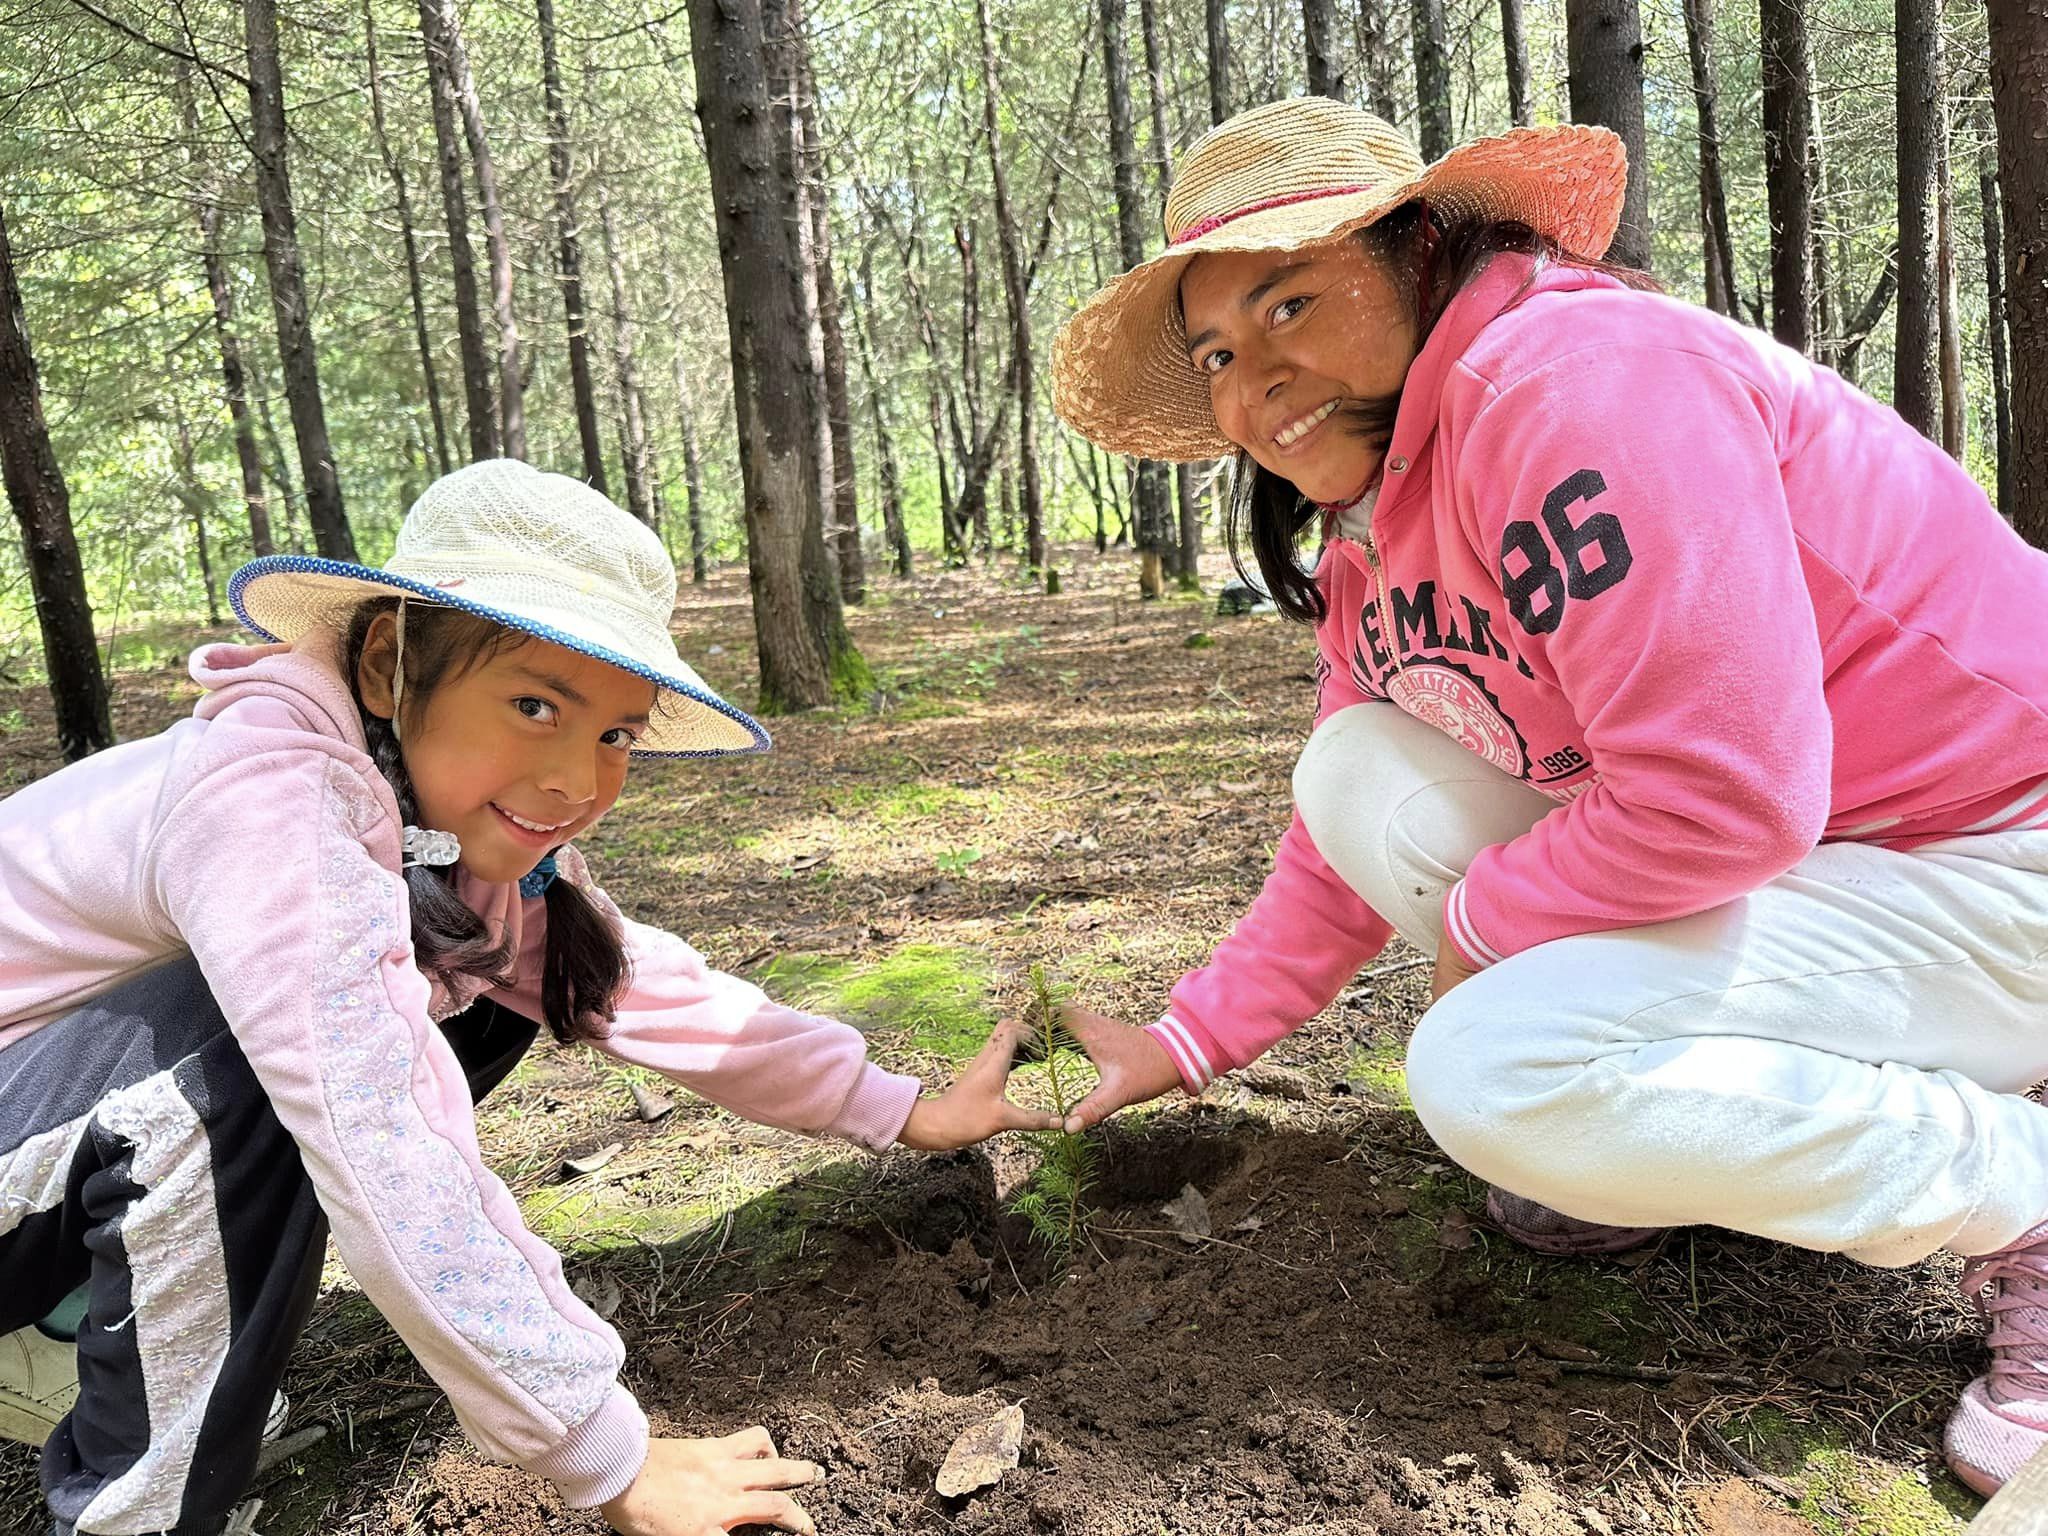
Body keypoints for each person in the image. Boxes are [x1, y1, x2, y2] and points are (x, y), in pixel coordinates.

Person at [1047, 96, 2048, 1498]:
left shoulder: (1572, 380)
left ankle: (2021, 1185)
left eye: (1290, 305)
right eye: (1219, 352)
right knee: (1356, 771)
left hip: (2001, 852)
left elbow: (1728, 800)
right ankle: (1661, 1150)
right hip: (1843, 865)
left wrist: (1487, 921)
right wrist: (1187, 1042)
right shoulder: (1384, 525)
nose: (1250, 384)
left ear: (1420, 252)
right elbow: (1344, 837)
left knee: (1490, 1072)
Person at [0, 459, 1051, 1536]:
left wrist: (897, 1105)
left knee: (489, 980)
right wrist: (604, 1454)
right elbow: (374, 1126)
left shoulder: (428, 821)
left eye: (614, 734)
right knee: (238, 1086)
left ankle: (60, 1322)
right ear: (384, 662)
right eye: (533, 703)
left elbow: (623, 981)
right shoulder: (269, 798)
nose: (577, 780)